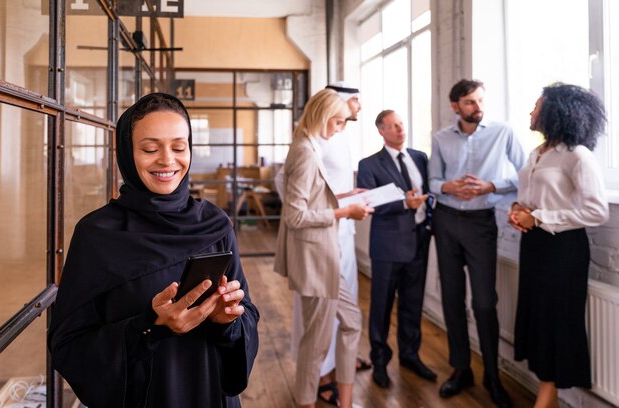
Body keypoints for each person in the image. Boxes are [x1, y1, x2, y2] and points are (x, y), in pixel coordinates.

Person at [48, 93, 259, 408]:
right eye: (150, 148)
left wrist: (227, 321)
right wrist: (148, 327)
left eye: (178, 147)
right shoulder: (97, 235)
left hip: (210, 394)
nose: (167, 160)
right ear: (126, 154)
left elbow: (249, 315)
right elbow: (68, 345)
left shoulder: (214, 223)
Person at [508, 83, 608, 408]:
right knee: (537, 316)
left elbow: (597, 210)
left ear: (555, 111)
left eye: (537, 106)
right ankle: (546, 394)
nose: (531, 112)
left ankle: (546, 397)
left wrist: (537, 217)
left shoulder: (577, 155)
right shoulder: (537, 153)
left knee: (556, 319)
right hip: (535, 246)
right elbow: (530, 198)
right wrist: (518, 209)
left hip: (563, 251)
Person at [428, 79, 526, 408]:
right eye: (469, 102)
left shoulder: (503, 133)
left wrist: (490, 186)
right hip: (446, 222)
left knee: (484, 303)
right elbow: (433, 182)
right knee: (452, 298)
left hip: (482, 224)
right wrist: (449, 187)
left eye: (480, 100)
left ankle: (493, 377)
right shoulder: (441, 138)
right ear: (455, 105)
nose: (477, 107)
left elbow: (525, 174)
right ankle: (461, 369)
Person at [274, 88, 373, 408]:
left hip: (324, 258)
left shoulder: (311, 146)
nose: (341, 128)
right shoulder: (305, 150)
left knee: (352, 321)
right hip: (315, 260)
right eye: (339, 122)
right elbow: (295, 215)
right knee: (315, 345)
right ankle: (306, 402)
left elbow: (315, 197)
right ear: (323, 116)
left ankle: (345, 402)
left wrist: (346, 197)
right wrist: (345, 212)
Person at [356, 110, 436, 388]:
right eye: (393, 126)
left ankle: (410, 356)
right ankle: (379, 361)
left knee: (412, 305)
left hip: (419, 242)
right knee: (381, 306)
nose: (401, 129)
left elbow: (430, 192)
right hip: (387, 246)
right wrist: (403, 203)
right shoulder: (368, 164)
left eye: (402, 124)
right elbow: (368, 202)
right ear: (381, 131)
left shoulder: (420, 158)